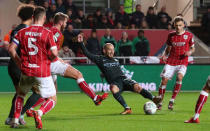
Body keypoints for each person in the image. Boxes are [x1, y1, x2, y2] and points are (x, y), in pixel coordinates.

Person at [25, 12, 108, 117]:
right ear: (60, 22)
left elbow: (44, 47)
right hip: (51, 63)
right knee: (78, 75)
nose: (66, 24)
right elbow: (49, 48)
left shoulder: (49, 30)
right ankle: (95, 98)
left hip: (44, 64)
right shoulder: (56, 32)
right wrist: (58, 59)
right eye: (65, 21)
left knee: (51, 93)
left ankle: (30, 109)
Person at [77, 34, 161, 115]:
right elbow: (87, 53)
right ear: (104, 50)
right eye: (109, 49)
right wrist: (81, 43)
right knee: (113, 89)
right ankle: (127, 108)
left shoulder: (116, 60)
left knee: (137, 87)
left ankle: (154, 99)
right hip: (115, 82)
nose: (112, 52)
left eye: (113, 50)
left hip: (123, 79)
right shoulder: (100, 59)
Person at [8, 6, 58, 129]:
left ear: (32, 17)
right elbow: (55, 53)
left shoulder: (21, 32)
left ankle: (14, 120)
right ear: (45, 18)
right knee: (52, 98)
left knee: (20, 94)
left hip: (26, 70)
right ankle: (39, 113)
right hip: (42, 71)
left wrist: (19, 63)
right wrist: (48, 60)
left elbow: (11, 49)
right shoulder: (47, 33)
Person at [4, 4, 41, 126]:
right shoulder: (25, 30)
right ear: (32, 16)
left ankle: (11, 118)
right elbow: (13, 49)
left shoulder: (17, 28)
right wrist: (21, 64)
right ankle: (20, 114)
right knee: (39, 92)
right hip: (20, 66)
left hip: (12, 65)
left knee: (19, 93)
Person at [157, 16, 195, 110]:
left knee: (179, 77)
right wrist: (164, 55)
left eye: (180, 25)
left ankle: (172, 100)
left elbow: (193, 48)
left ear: (183, 25)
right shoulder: (171, 35)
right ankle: (160, 102)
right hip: (171, 61)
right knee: (164, 80)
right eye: (176, 25)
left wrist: (189, 52)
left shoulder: (189, 35)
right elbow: (168, 48)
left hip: (182, 61)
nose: (178, 27)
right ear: (174, 25)